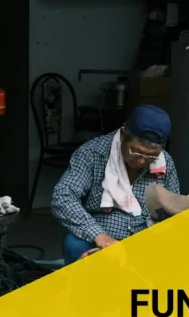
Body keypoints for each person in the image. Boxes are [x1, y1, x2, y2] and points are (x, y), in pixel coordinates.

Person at [51, 105, 180, 263]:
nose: (141, 161)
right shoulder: (92, 153)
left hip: (145, 237)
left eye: (151, 156)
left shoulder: (165, 161)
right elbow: (63, 196)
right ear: (123, 134)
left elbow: (172, 212)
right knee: (74, 245)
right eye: (136, 151)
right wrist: (100, 236)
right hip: (100, 234)